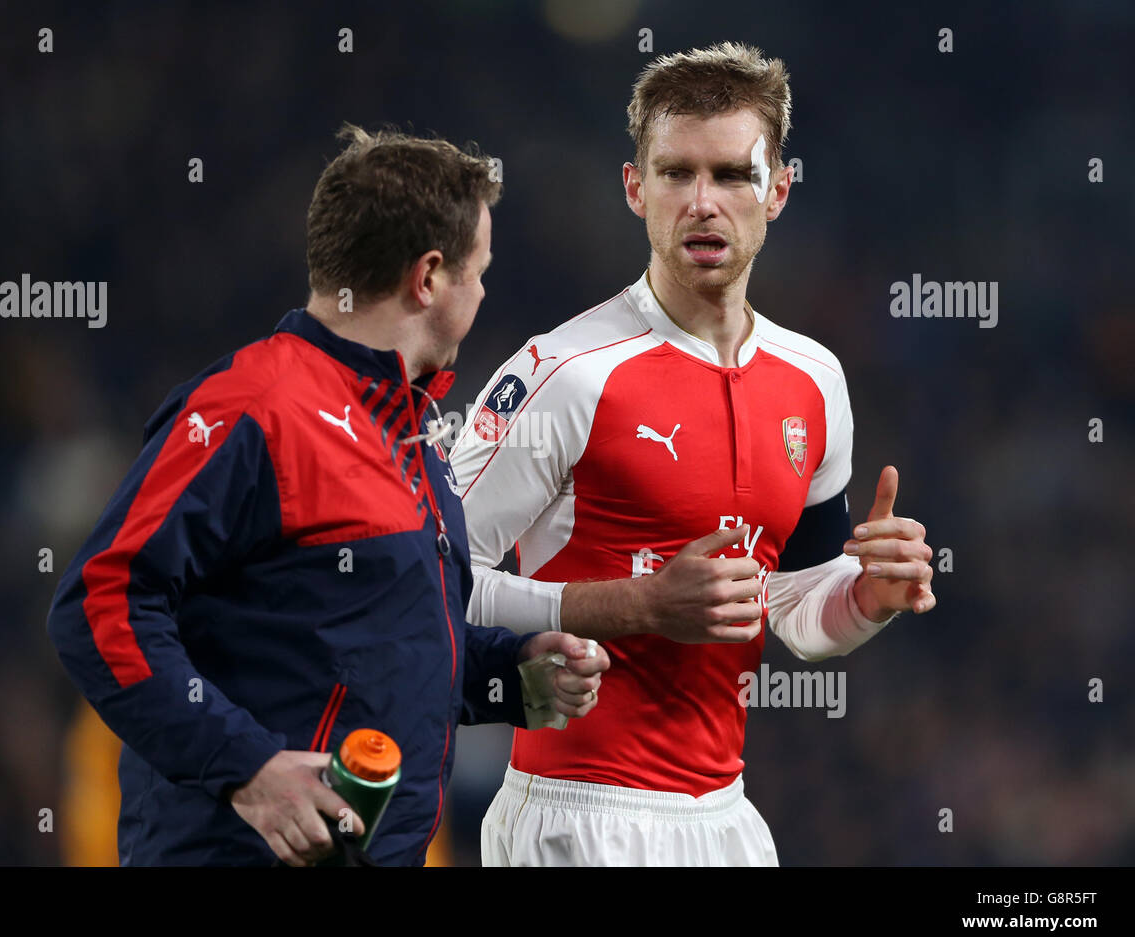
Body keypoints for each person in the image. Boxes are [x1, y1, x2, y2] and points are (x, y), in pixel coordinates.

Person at [46, 123, 609, 867]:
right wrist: (246, 768)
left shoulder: (411, 438)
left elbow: (358, 648)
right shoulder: (253, 409)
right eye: (479, 271)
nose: (482, 292)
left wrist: (506, 675)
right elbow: (100, 602)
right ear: (429, 277)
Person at [450, 43, 935, 866]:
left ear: (778, 190)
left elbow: (795, 608)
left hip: (727, 823)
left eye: (733, 175)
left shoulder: (816, 382)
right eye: (676, 173)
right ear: (636, 188)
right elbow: (431, 587)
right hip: (575, 818)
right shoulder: (563, 375)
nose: (703, 203)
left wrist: (868, 599)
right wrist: (635, 606)